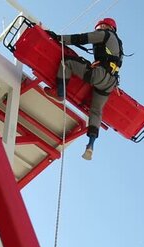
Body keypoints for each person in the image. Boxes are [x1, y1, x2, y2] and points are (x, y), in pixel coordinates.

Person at [43, 18, 123, 160]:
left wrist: (58, 38)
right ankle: (91, 145)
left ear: (106, 27)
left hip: (99, 75)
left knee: (67, 62)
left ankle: (60, 93)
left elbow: (82, 38)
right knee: (96, 111)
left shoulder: (105, 34)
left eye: (100, 27)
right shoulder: (118, 45)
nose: (99, 29)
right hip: (111, 82)